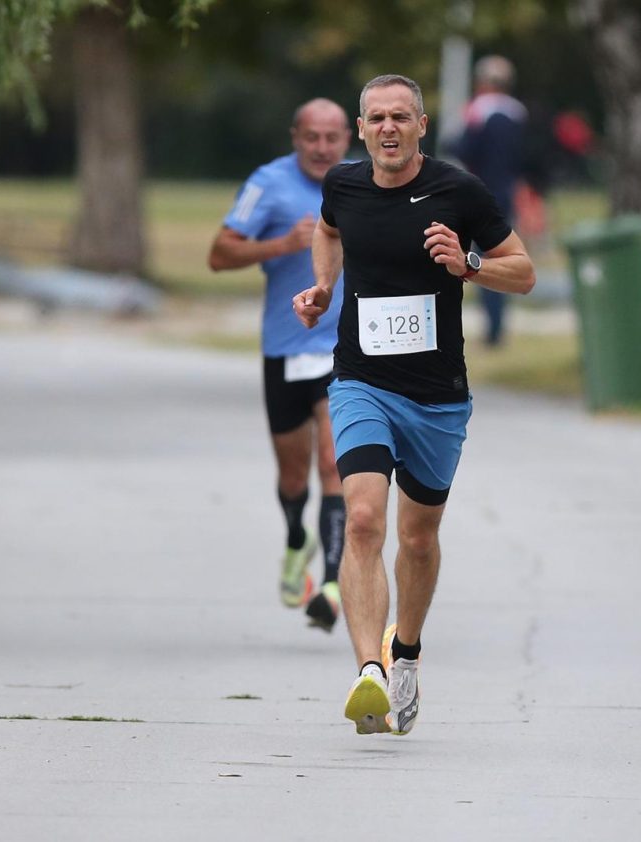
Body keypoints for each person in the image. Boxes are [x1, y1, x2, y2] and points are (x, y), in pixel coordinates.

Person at [293, 75, 535, 735]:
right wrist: (321, 287)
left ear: (422, 125)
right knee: (365, 519)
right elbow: (327, 231)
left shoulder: (459, 191)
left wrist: (469, 263)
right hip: (361, 382)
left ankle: (406, 652)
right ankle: (368, 669)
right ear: (362, 127)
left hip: (436, 398)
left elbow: (524, 269)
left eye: (402, 116)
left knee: (418, 537)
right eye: (378, 118)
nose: (390, 128)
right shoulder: (343, 185)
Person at [208, 99, 351, 632]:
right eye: (311, 137)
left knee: (335, 464)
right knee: (294, 475)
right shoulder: (268, 183)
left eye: (332, 137)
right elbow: (219, 254)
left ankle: (333, 585)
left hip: (344, 351)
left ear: (348, 138)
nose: (321, 148)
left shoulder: (361, 184)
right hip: (286, 349)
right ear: (296, 137)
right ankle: (297, 537)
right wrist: (280, 245)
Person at [449, 55, 529, 347]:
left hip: (480, 192)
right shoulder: (518, 114)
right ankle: (498, 326)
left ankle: (491, 328)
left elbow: (462, 147)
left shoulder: (479, 111)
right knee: (504, 255)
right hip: (507, 192)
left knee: (477, 261)